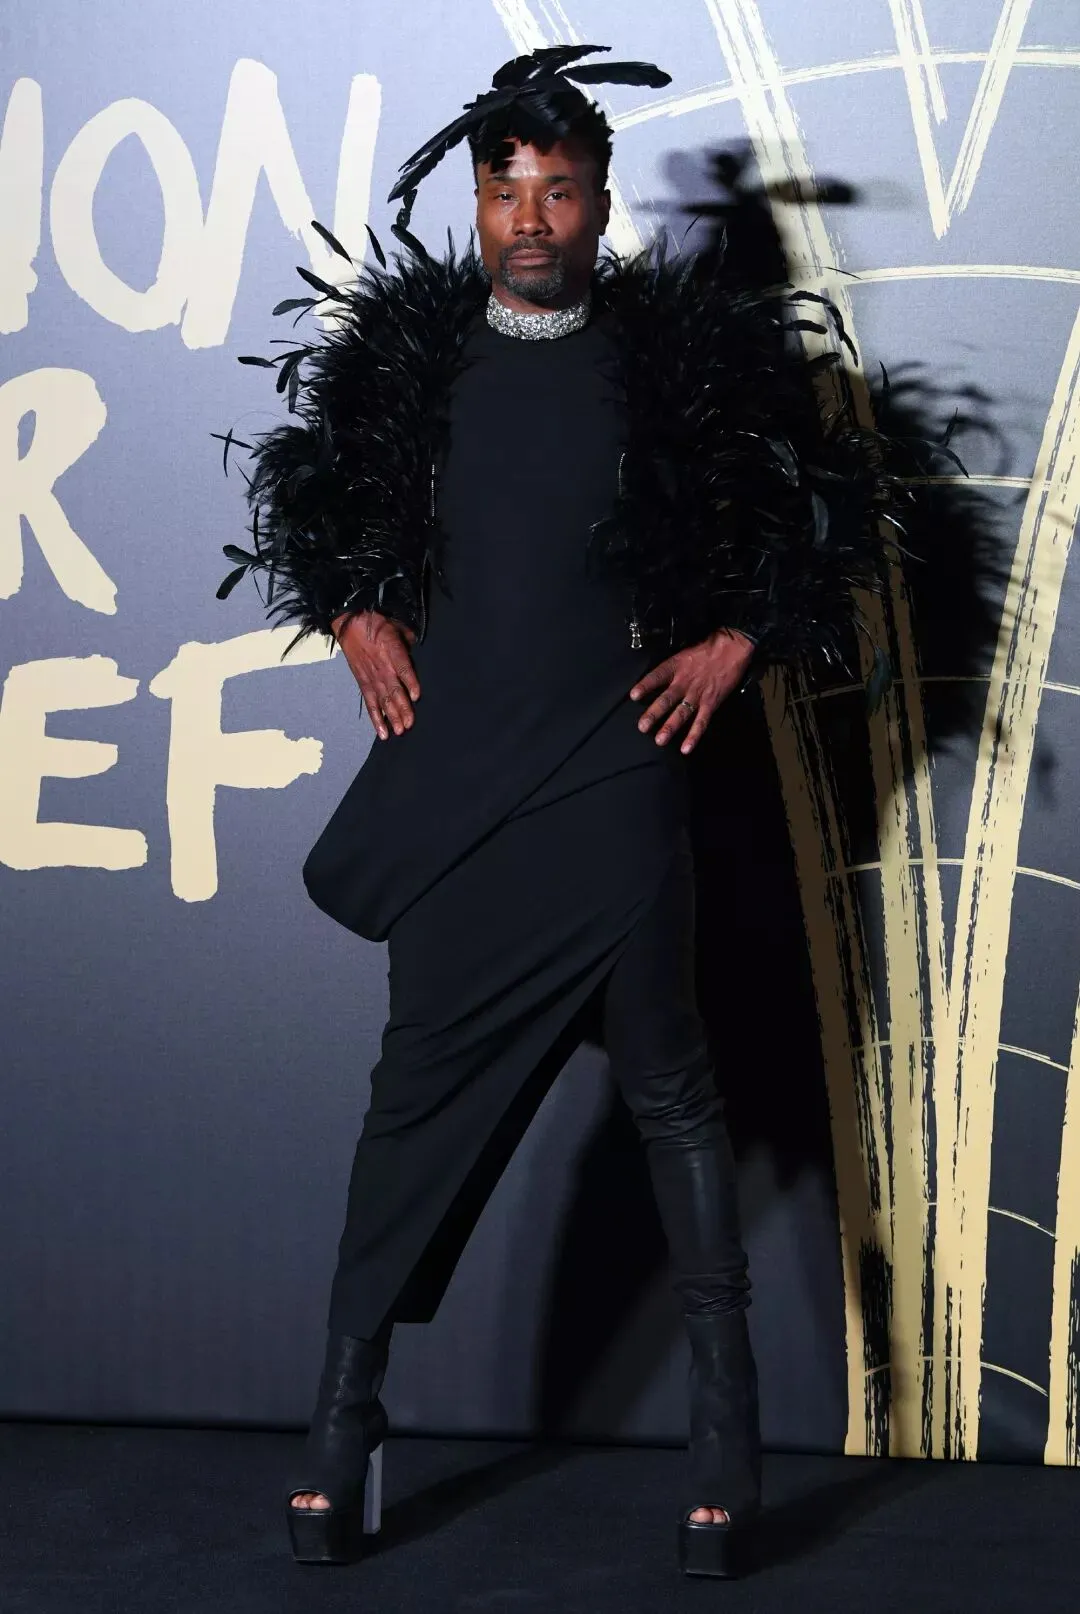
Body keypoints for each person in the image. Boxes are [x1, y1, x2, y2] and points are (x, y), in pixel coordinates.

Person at [217, 44, 906, 1580]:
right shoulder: (410, 363)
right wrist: (354, 609)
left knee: (670, 1089)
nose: (529, 218)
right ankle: (347, 1413)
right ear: (478, 202)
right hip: (460, 787)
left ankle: (724, 1423)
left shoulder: (674, 367)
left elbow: (817, 521)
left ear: (599, 204)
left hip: (611, 770)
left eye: (560, 191)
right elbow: (330, 511)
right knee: (410, 1100)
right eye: (505, 190)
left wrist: (738, 640)